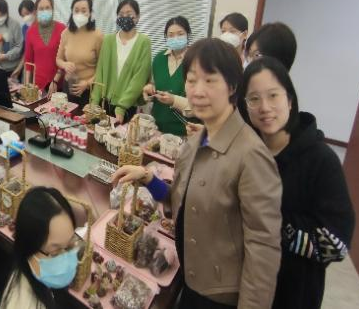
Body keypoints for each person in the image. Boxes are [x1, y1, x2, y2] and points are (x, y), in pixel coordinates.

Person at [112, 38, 283, 309]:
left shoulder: (252, 155)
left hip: (221, 296)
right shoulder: (194, 143)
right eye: (191, 81)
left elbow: (263, 248)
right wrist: (147, 178)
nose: (198, 91)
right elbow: (180, 201)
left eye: (210, 80)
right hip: (189, 278)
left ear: (232, 86)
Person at [239, 57, 354, 309]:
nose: (264, 107)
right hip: (246, 286)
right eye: (254, 99)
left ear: (290, 100)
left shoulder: (321, 160)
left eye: (273, 95)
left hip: (294, 292)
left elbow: (336, 245)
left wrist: (269, 225)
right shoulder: (248, 153)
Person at [0, 187, 79, 309]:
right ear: (30, 248)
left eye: (69, 246)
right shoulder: (22, 304)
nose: (66, 259)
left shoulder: (40, 280)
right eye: (55, 252)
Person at [90, 0, 152, 124]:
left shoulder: (144, 42)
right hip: (104, 103)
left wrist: (122, 107)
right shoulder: (108, 40)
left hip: (127, 107)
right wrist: (94, 102)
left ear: (137, 17)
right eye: (121, 14)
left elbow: (139, 78)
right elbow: (100, 72)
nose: (125, 17)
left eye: (129, 14)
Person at [142, 16, 192, 136]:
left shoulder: (196, 61)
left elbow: (200, 104)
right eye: (171, 35)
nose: (175, 38)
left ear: (188, 34)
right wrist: (149, 90)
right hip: (157, 127)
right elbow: (154, 84)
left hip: (184, 131)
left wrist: (174, 100)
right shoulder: (159, 59)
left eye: (180, 34)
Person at [55, 0, 103, 105]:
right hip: (69, 86)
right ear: (72, 12)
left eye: (84, 10)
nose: (79, 14)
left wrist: (87, 83)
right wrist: (65, 65)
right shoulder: (66, 33)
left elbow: (102, 68)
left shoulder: (98, 35)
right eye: (76, 10)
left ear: (90, 13)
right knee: (66, 115)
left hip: (89, 90)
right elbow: (58, 59)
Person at [23, 0, 66, 94]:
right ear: (36, 11)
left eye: (47, 8)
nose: (44, 11)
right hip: (38, 86)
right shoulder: (30, 32)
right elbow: (28, 61)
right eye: (41, 9)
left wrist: (55, 81)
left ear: (52, 10)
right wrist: (27, 85)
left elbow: (65, 58)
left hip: (58, 85)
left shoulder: (62, 29)